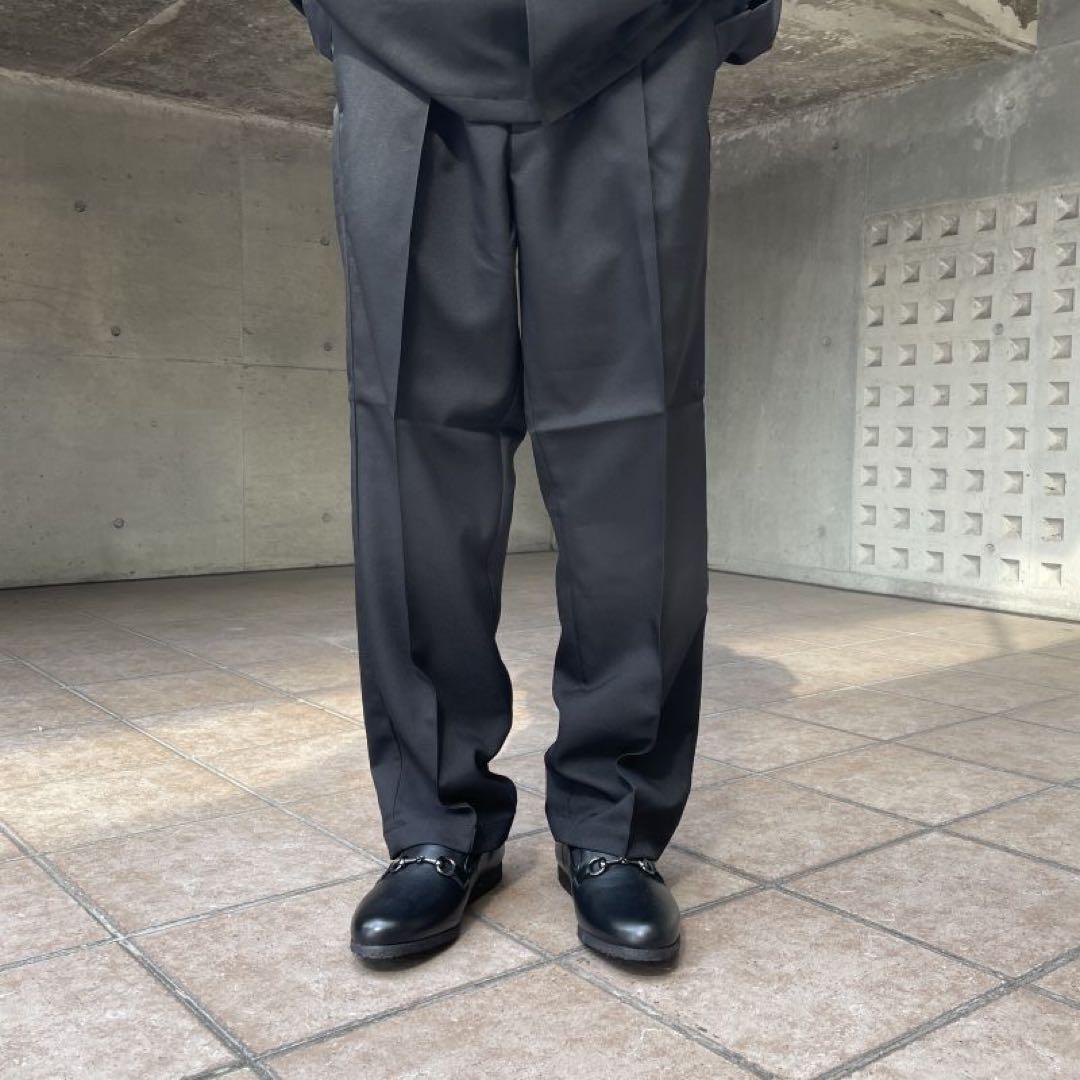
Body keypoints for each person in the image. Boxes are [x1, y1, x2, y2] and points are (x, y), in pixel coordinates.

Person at [289, 0, 781, 963]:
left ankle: (611, 824)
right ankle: (438, 822)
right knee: (414, 446)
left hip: (637, 27)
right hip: (400, 27)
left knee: (634, 451)